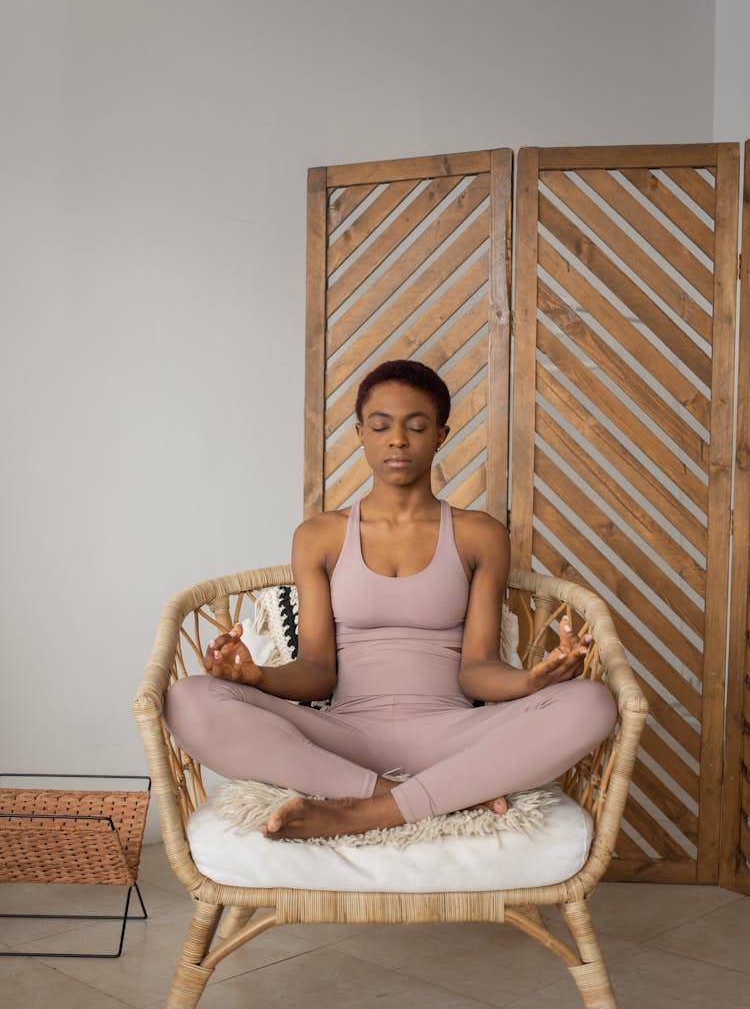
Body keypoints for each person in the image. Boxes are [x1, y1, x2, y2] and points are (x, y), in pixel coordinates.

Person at [164, 359, 616, 840]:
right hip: (345, 740)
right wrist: (255, 676)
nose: (397, 440)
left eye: (416, 426)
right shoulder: (320, 535)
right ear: (361, 433)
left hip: (452, 737)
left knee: (591, 702)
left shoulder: (479, 534)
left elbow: (477, 670)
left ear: (441, 434)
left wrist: (533, 680)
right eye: (381, 426)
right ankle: (417, 795)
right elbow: (318, 671)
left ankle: (362, 813)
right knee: (188, 699)